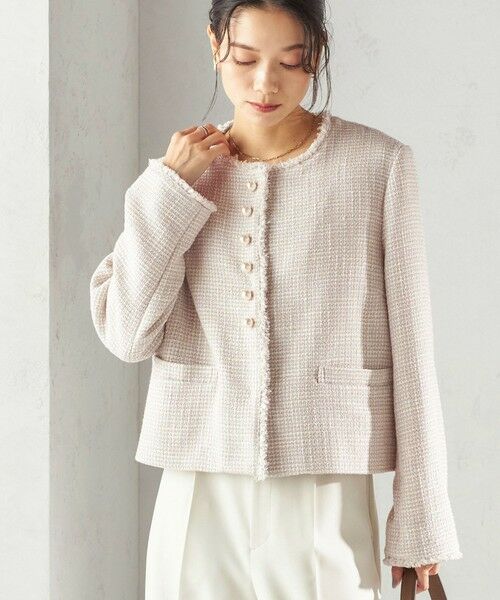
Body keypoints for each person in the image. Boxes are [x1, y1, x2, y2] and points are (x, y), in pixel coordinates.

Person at [89, 1, 462, 598]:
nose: (265, 84)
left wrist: (422, 520)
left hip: (324, 485)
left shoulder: (379, 165)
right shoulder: (180, 180)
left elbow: (414, 353)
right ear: (214, 44)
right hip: (198, 479)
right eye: (244, 58)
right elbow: (126, 335)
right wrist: (168, 190)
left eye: (292, 62)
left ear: (317, 56)